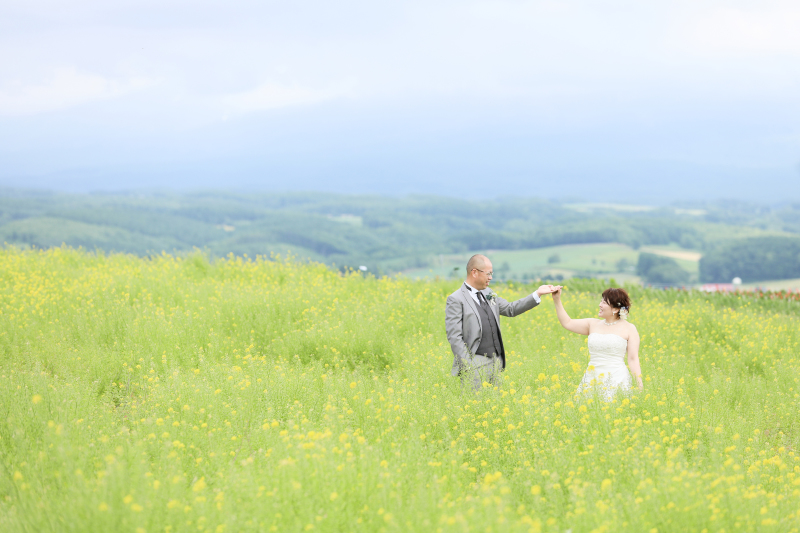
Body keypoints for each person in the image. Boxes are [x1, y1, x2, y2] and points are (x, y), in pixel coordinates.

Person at [445, 254, 558, 390]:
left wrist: (537, 294)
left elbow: (511, 309)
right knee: (476, 407)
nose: (491, 277)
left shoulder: (488, 293)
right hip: (475, 364)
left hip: (496, 363)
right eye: (488, 273)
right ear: (474, 272)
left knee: (495, 405)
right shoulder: (456, 299)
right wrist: (468, 366)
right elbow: (454, 337)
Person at [551, 287, 643, 400]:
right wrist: (557, 299)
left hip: (617, 378)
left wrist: (639, 385)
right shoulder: (592, 324)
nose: (600, 305)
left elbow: (633, 359)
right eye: (601, 301)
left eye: (604, 302)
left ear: (615, 309)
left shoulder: (629, 328)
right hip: (592, 378)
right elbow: (567, 322)